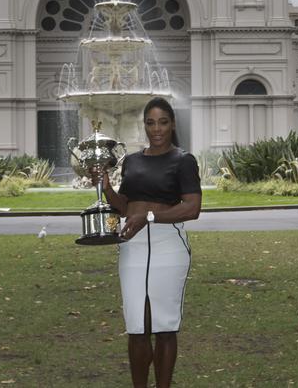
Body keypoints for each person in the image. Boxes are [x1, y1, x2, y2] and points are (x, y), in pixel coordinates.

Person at [94, 98, 202, 388]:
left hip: (169, 245)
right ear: (144, 125)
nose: (157, 129)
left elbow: (192, 208)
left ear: (173, 124)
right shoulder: (132, 160)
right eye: (151, 123)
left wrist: (149, 217)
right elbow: (124, 207)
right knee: (137, 327)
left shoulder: (183, 160)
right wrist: (107, 189)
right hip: (133, 245)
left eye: (163, 122)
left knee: (165, 327)